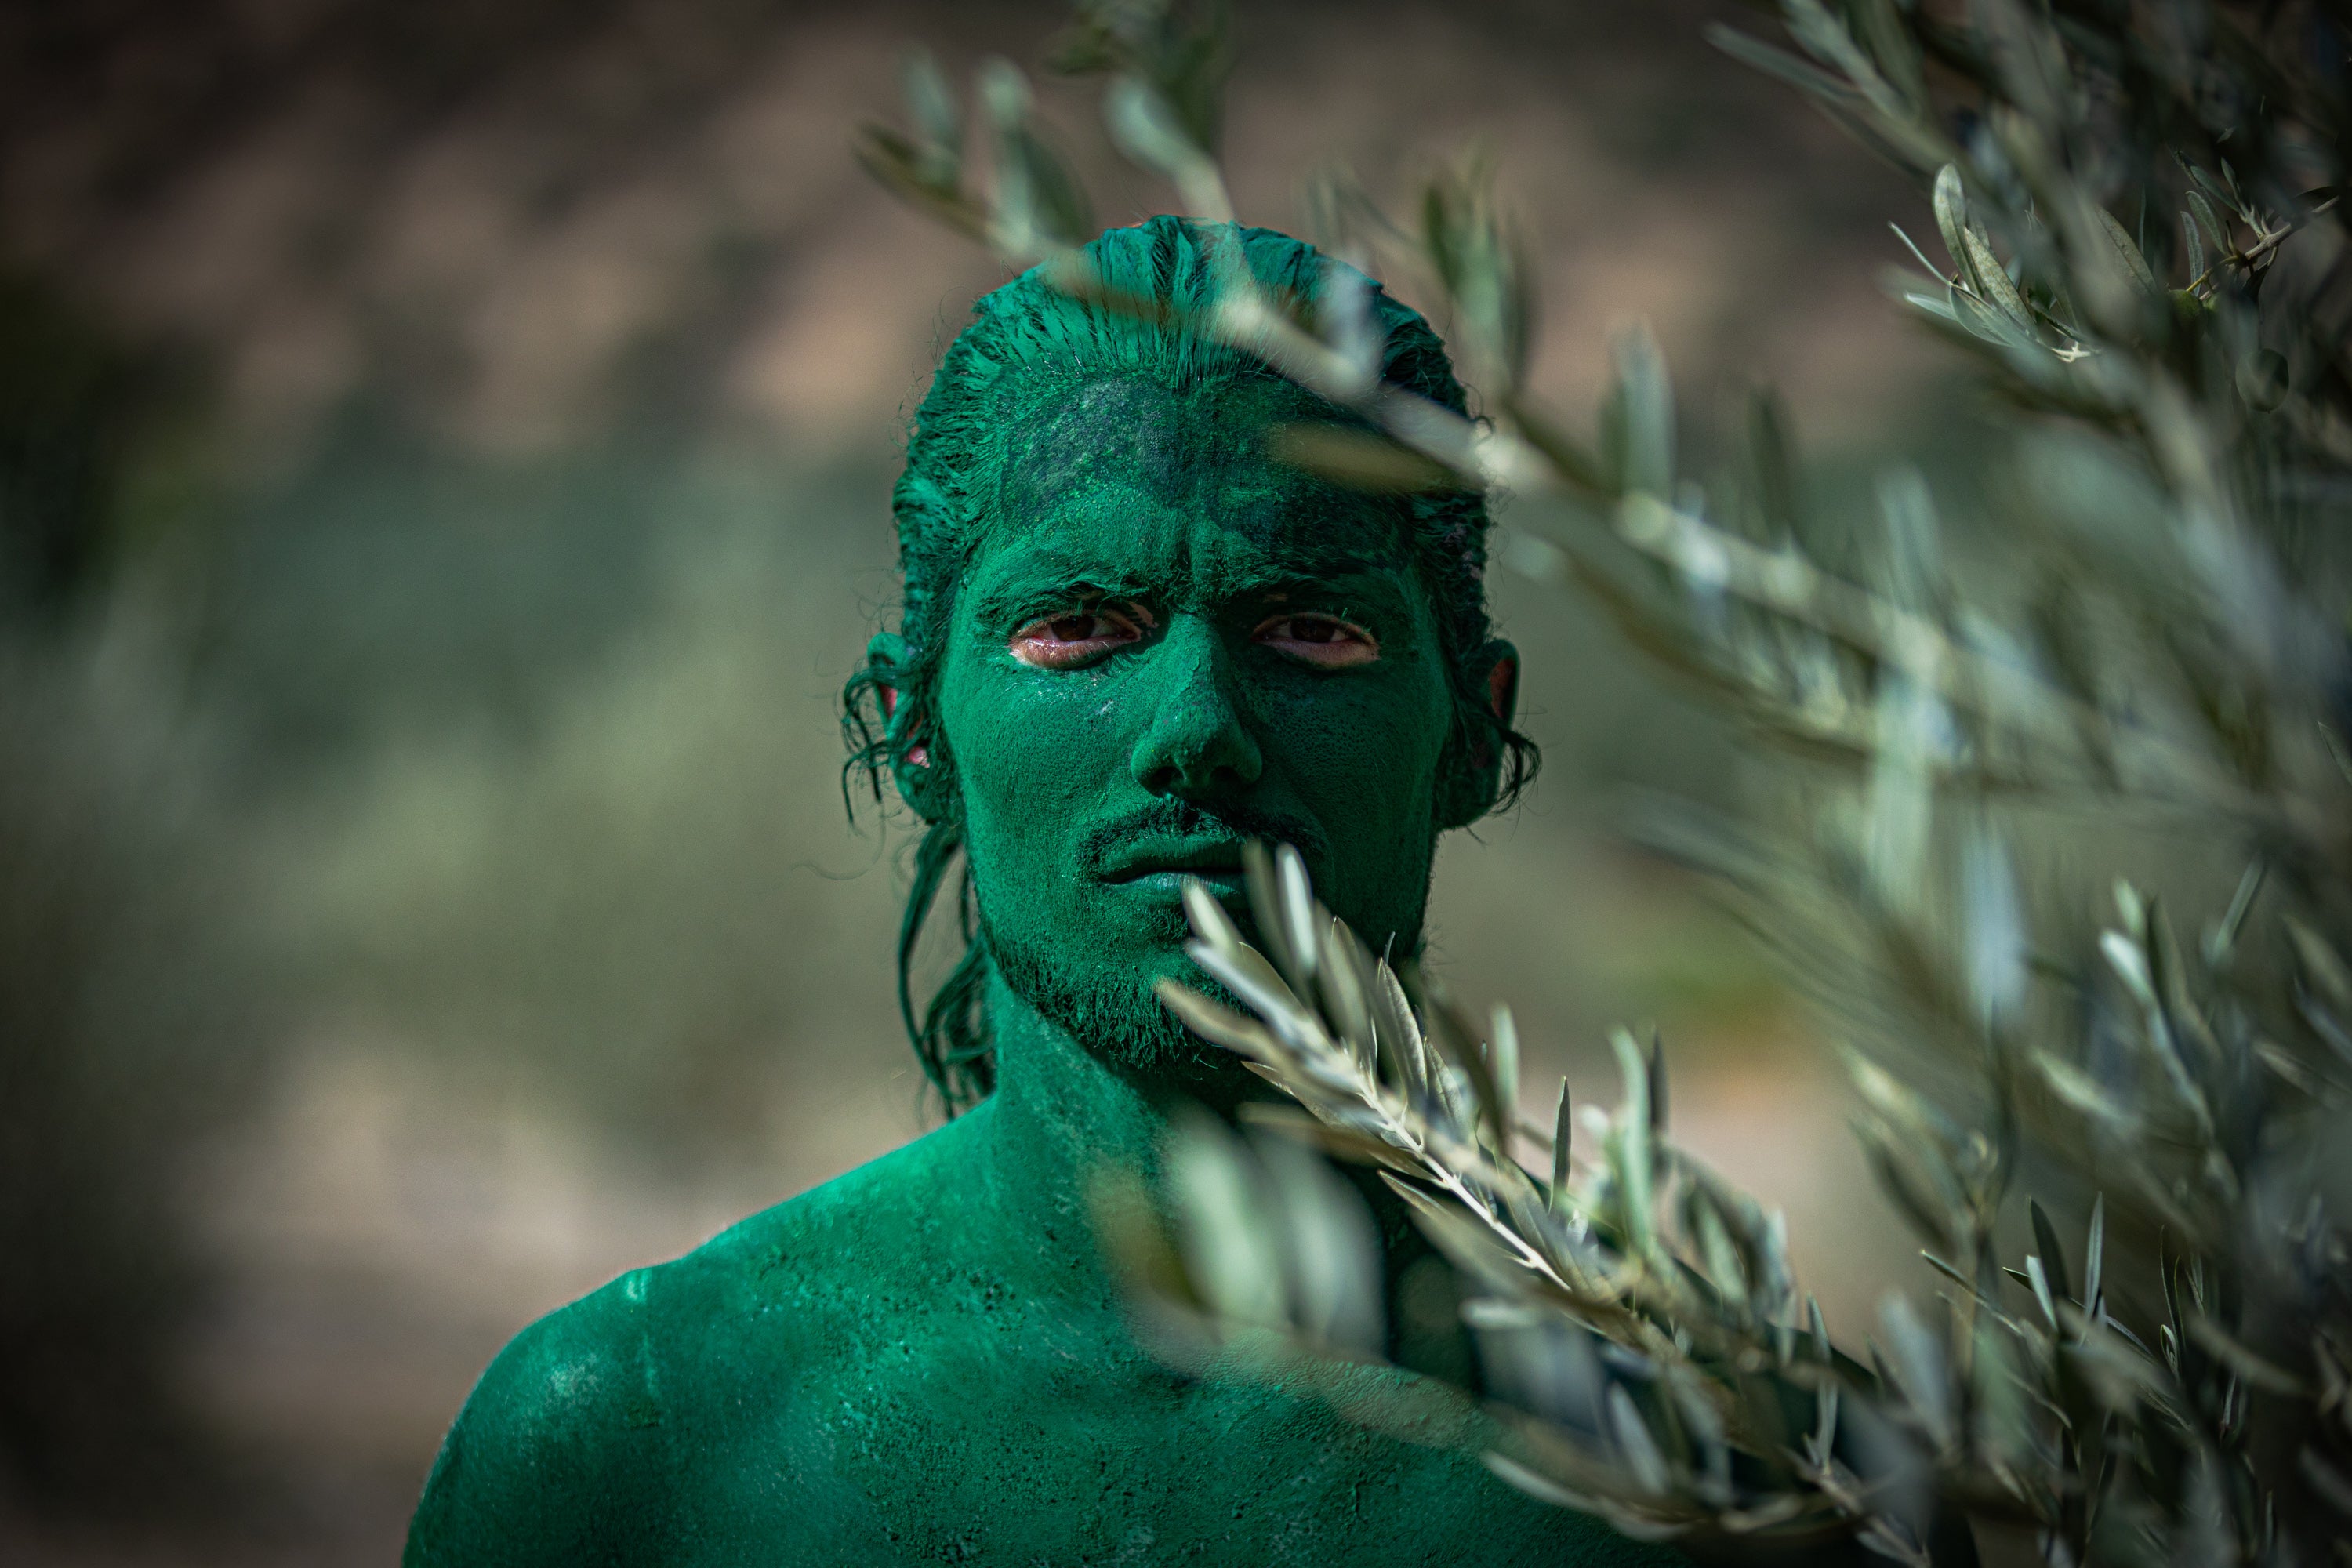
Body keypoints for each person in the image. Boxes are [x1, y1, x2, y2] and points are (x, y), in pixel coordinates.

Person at [403, 216, 1675, 1566]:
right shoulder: (635, 1449)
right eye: (1079, 627)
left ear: (1472, 736)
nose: (1197, 724)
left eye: (1311, 626)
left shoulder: (1721, 1476)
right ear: (914, 732)